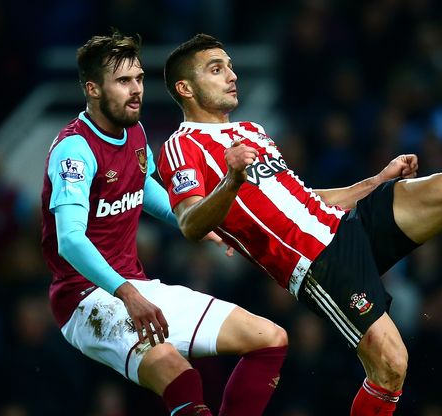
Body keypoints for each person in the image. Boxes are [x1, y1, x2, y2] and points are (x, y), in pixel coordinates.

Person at [156, 33, 442, 415]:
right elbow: (191, 222)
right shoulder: (183, 146)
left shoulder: (251, 131)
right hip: (316, 264)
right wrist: (233, 178)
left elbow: (299, 198)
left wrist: (375, 181)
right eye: (216, 69)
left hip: (346, 225)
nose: (232, 74)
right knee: (391, 365)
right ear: (185, 89)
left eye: (230, 65)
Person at [40, 31, 288, 416]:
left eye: (138, 78)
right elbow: (70, 240)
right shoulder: (75, 150)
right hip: (84, 300)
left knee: (269, 339)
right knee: (178, 373)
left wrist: (195, 222)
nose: (136, 89)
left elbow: (146, 189)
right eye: (123, 81)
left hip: (135, 286)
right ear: (92, 88)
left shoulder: (134, 131)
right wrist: (128, 293)